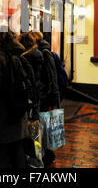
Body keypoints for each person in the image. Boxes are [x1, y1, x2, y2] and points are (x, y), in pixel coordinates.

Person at [0, 26, 29, 168]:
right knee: (18, 156)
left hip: (2, 120)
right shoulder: (21, 53)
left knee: (1, 160)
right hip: (19, 117)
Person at [30, 31, 60, 167]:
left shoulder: (44, 52)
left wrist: (52, 96)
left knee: (42, 127)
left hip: (45, 97)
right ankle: (45, 154)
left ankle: (45, 155)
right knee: (42, 127)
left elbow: (51, 76)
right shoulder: (43, 51)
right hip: (44, 96)